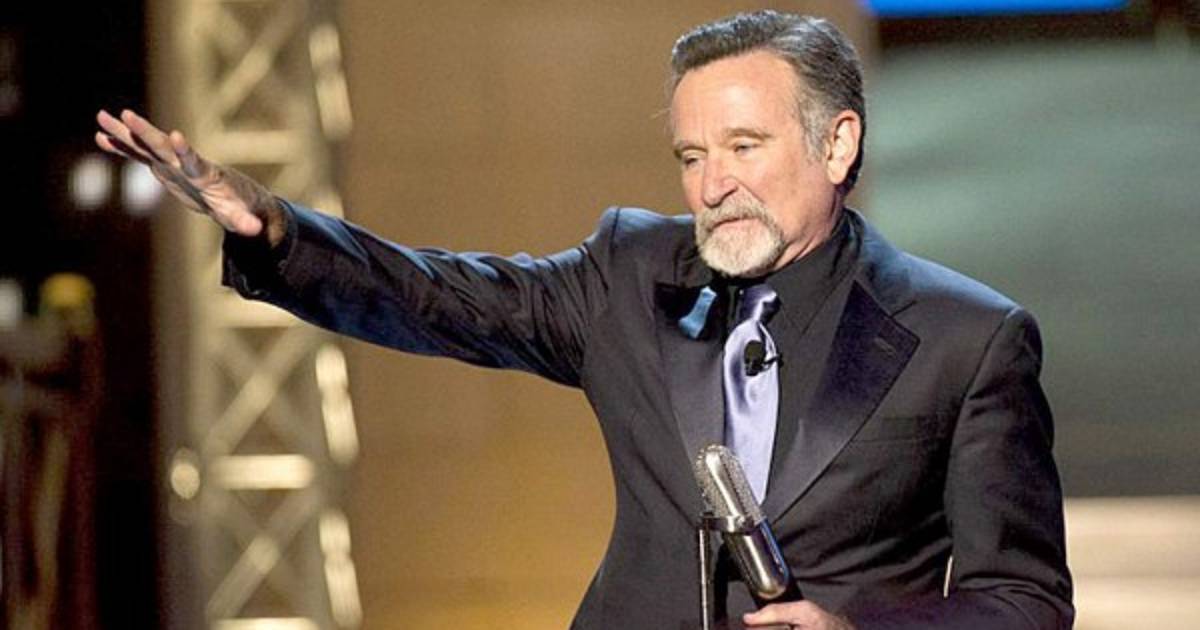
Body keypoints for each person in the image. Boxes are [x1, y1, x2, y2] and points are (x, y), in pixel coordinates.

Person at [95, 10, 1072, 630]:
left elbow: (1023, 602)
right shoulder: (631, 275)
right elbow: (444, 296)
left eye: (742, 146)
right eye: (691, 157)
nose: (713, 186)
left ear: (838, 142)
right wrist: (274, 229)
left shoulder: (966, 340)